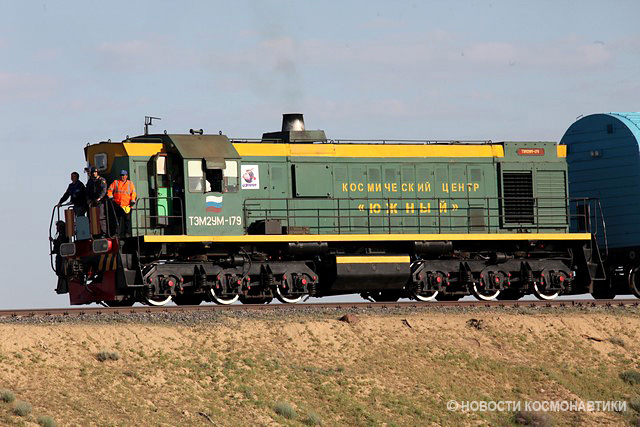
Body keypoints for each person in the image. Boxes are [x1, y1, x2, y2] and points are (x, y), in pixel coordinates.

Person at [107, 169, 137, 237]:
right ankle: (117, 234)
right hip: (118, 205)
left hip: (127, 205)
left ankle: (127, 234)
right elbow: (109, 190)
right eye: (121, 175)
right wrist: (111, 197)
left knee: (127, 220)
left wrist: (132, 200)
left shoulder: (130, 184)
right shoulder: (115, 182)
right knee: (117, 220)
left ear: (127, 176)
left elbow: (133, 193)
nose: (122, 177)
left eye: (124, 175)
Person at [86, 166, 108, 236]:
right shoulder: (90, 181)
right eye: (93, 172)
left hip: (100, 201)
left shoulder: (102, 180)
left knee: (101, 217)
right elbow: (87, 191)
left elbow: (104, 190)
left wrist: (99, 198)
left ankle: (103, 232)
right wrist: (88, 199)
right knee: (92, 217)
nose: (94, 173)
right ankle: (95, 233)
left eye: (95, 172)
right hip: (92, 201)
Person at [50, 220, 69, 294]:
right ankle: (63, 286)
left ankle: (64, 286)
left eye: (57, 227)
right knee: (60, 271)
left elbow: (60, 243)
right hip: (61, 254)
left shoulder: (62, 234)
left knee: (61, 271)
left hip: (62, 255)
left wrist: (53, 241)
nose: (56, 228)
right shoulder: (62, 234)